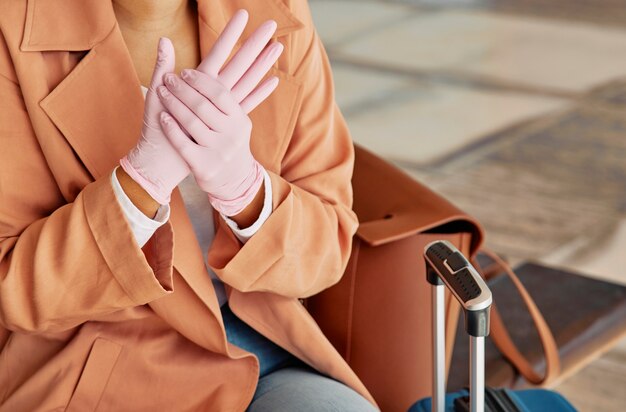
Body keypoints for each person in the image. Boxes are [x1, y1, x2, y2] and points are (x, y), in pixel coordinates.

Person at [0, 0, 380, 410]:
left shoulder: (276, 9)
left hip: (259, 340)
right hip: (94, 368)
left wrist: (246, 192)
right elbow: (12, 289)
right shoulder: (11, 28)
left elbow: (326, 250)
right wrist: (140, 185)